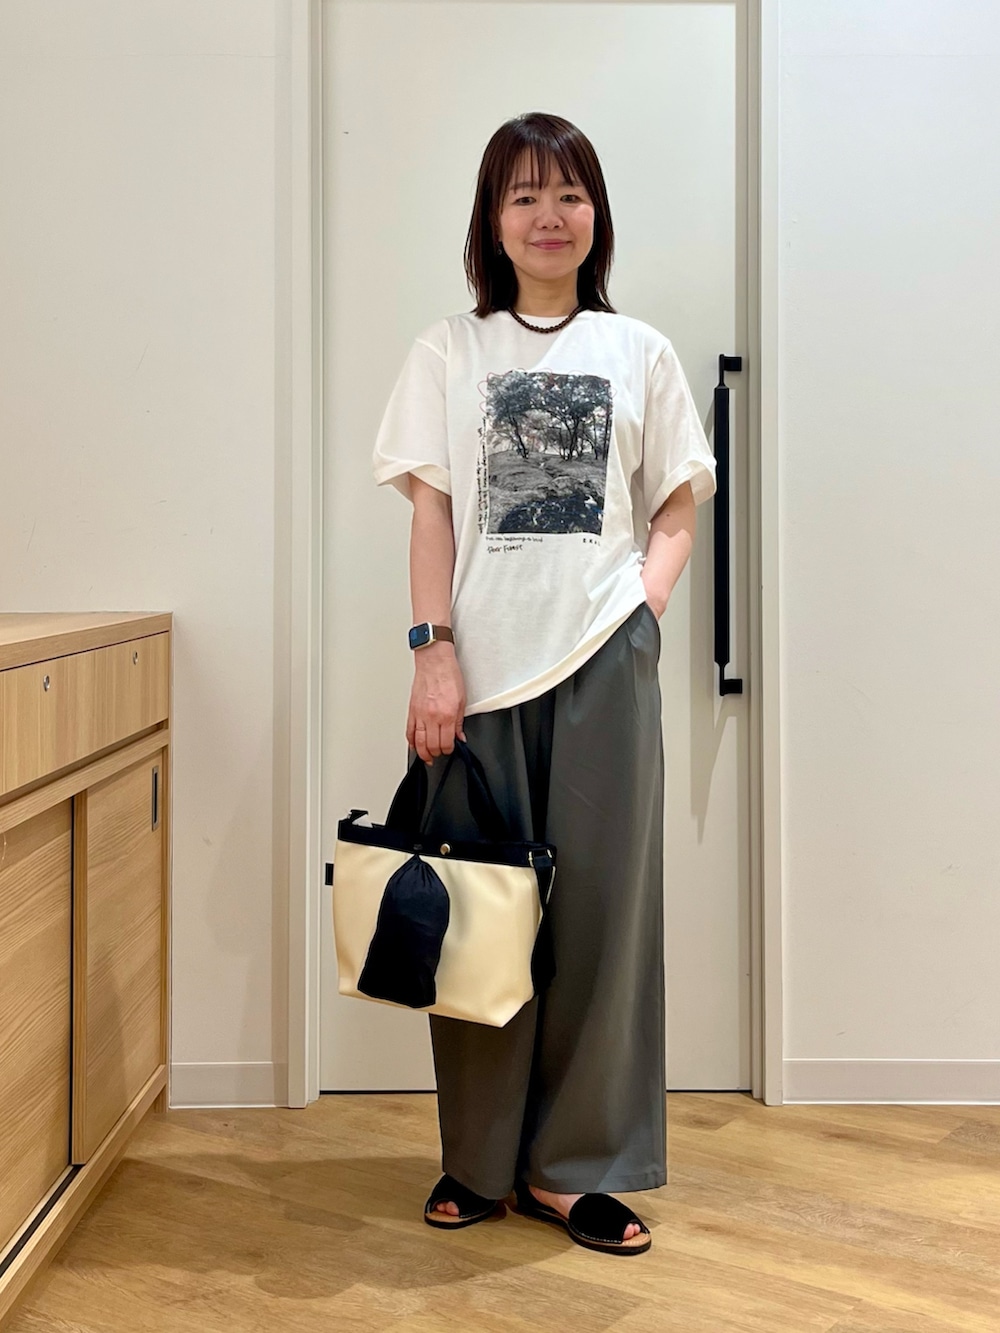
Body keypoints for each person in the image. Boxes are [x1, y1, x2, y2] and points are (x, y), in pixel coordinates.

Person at [371, 112, 717, 1256]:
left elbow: (677, 502)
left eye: (567, 193)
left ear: (595, 214)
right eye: (522, 196)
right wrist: (432, 650)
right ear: (492, 219)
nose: (547, 216)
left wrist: (642, 608)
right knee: (481, 918)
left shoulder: (639, 351)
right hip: (479, 676)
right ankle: (477, 1160)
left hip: (603, 662)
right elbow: (431, 515)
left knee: (604, 924)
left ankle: (577, 1170)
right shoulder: (448, 351)